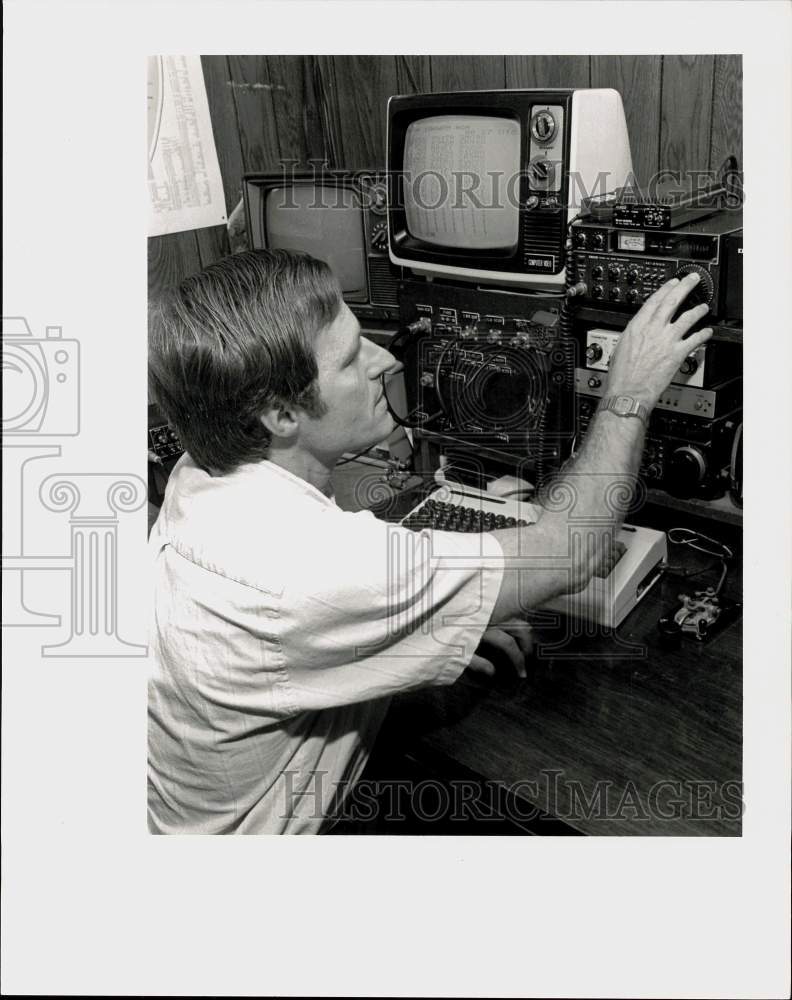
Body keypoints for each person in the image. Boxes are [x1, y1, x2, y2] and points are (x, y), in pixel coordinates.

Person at [147, 249, 712, 834]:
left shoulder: (201, 473)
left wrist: (433, 618)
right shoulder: (310, 569)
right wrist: (628, 394)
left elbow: (314, 626)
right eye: (348, 360)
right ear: (280, 413)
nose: (385, 359)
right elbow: (574, 549)